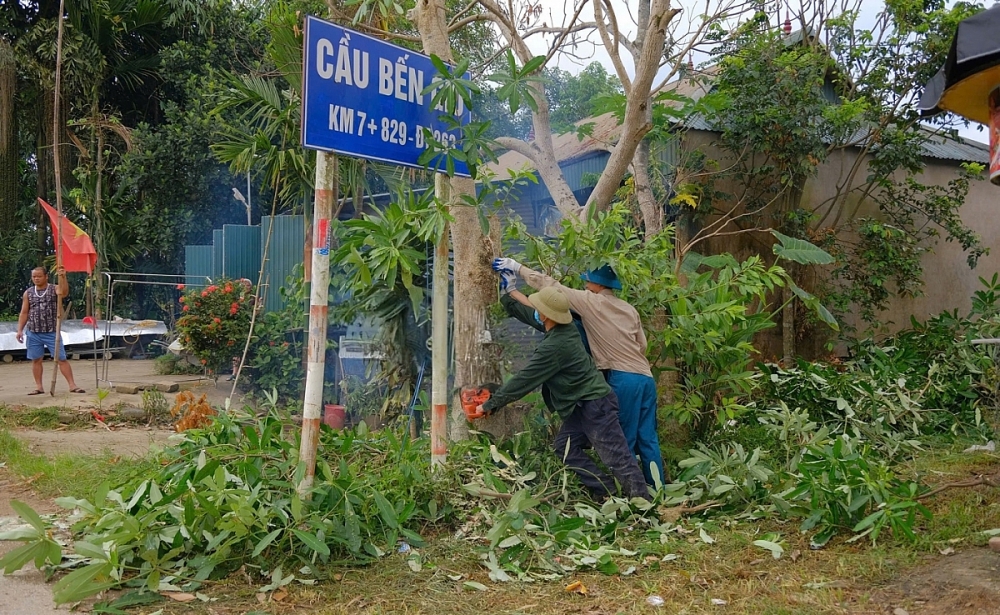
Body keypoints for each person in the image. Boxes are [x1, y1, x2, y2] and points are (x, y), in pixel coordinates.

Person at [493, 257, 665, 487]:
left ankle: (632, 496)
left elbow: (552, 287)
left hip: (623, 378)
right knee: (648, 438)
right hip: (645, 377)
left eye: (588, 282)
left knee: (623, 441)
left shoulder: (590, 303)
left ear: (598, 285)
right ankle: (658, 489)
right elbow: (642, 345)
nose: (585, 285)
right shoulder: (628, 309)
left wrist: (518, 268)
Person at [16, 266, 84, 395]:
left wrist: (63, 277)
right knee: (36, 359)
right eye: (34, 276)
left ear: (46, 276)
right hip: (33, 331)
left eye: (39, 276)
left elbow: (64, 292)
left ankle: (72, 385)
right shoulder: (28, 293)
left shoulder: (54, 289)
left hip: (51, 331)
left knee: (61, 359)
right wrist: (19, 330)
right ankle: (39, 387)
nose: (36, 278)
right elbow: (24, 312)